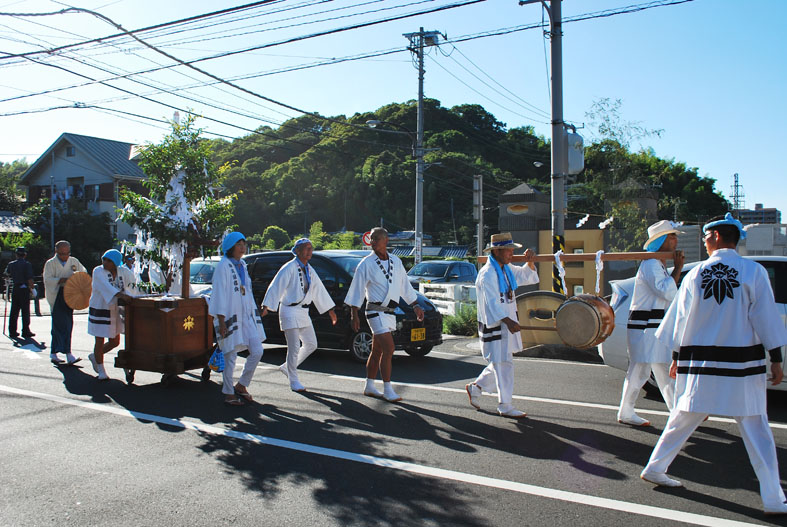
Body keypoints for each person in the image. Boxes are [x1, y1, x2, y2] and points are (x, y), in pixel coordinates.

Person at [640, 213, 787, 515]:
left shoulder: (696, 274)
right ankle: (773, 497)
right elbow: (765, 317)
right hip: (740, 365)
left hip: (701, 363)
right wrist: (776, 358)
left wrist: (676, 358)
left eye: (706, 237)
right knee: (756, 427)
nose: (704, 242)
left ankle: (655, 467)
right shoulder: (753, 271)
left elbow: (680, 320)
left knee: (683, 417)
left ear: (717, 236)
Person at [616, 220, 684, 426]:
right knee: (641, 370)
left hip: (653, 325)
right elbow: (667, 292)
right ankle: (626, 411)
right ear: (661, 240)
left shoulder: (657, 264)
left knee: (662, 369)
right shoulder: (651, 264)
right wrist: (678, 268)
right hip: (645, 327)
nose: (676, 240)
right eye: (672, 236)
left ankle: (678, 411)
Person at [465, 232, 540, 418]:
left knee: (500, 361)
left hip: (506, 321)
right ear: (497, 251)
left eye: (512, 250)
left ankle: (476, 387)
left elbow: (525, 276)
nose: (511, 253)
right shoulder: (488, 274)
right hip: (496, 324)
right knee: (503, 363)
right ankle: (505, 404)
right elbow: (491, 303)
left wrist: (530, 262)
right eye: (508, 250)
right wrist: (508, 320)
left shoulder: (506, 268)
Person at [345, 227, 424, 402]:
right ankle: (388, 389)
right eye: (371, 239)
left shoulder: (396, 261)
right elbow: (357, 289)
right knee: (389, 349)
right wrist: (354, 314)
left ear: (386, 240)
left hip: (390, 312)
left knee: (377, 350)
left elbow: (405, 286)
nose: (372, 242)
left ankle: (369, 386)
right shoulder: (366, 263)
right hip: (374, 311)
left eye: (376, 239)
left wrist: (415, 305)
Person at [261, 238, 337, 392]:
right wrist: (266, 306)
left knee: (311, 344)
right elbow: (276, 286)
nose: (310, 251)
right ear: (297, 251)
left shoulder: (309, 269)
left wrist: (330, 309)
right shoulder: (289, 267)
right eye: (306, 248)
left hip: (303, 311)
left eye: (311, 248)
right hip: (289, 310)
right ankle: (293, 380)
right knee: (294, 347)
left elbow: (319, 289)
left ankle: (287, 367)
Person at [209, 232, 266, 406]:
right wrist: (221, 320)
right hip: (229, 316)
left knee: (257, 350)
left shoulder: (242, 264)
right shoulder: (223, 266)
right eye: (239, 244)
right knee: (230, 355)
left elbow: (246, 291)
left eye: (244, 244)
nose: (243, 247)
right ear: (230, 247)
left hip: (246, 316)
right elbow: (219, 293)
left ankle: (241, 385)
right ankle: (228, 393)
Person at [87, 249, 135, 380]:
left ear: (115, 263)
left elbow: (132, 284)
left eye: (109, 260)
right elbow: (105, 286)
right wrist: (121, 295)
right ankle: (101, 370)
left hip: (115, 309)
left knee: (115, 341)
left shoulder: (123, 271)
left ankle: (95, 356)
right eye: (104, 259)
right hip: (100, 307)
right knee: (99, 339)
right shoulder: (98, 271)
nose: (105, 262)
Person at [43, 241, 87, 365]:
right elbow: (47, 280)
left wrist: (76, 277)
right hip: (57, 294)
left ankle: (65, 352)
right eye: (62, 254)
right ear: (56, 251)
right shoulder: (50, 263)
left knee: (68, 323)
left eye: (67, 253)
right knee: (58, 324)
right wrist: (62, 280)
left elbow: (83, 272)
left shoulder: (73, 261)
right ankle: (57, 352)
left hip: (70, 294)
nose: (65, 256)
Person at [5, 246, 35, 340]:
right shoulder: (27, 264)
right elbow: (30, 279)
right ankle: (25, 331)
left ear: (16, 255)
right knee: (25, 311)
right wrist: (33, 289)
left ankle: (12, 331)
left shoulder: (11, 264)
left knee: (14, 310)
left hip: (15, 288)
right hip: (24, 289)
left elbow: (6, 274)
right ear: (25, 255)